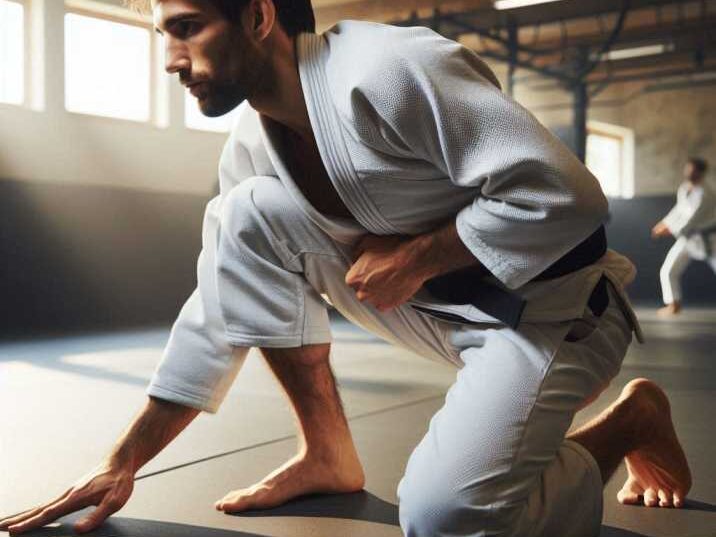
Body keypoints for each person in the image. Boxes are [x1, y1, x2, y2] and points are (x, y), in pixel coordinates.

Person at [0, 1, 692, 536]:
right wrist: (123, 459)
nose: (171, 60)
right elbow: (220, 303)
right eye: (163, 37)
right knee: (246, 216)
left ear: (259, 15)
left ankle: (623, 424)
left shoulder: (387, 68)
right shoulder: (251, 145)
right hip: (436, 311)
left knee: (442, 518)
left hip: (554, 315)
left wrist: (421, 254)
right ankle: (326, 451)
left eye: (187, 28)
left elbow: (570, 196)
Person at [652, 157, 716, 316]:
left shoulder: (706, 194)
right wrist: (664, 223)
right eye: (688, 169)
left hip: (709, 239)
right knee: (668, 269)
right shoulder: (685, 188)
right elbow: (678, 210)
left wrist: (670, 230)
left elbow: (692, 219)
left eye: (693, 170)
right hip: (688, 240)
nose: (688, 172)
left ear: (701, 172)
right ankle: (674, 304)